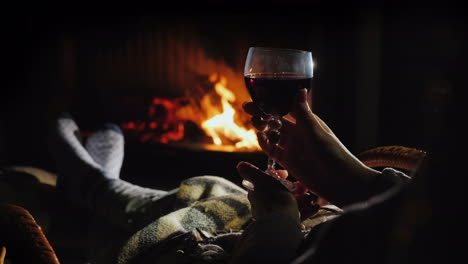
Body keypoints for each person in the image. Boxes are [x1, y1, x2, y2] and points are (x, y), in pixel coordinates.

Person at [48, 86, 462, 263]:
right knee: (220, 191)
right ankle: (93, 179)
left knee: (193, 199)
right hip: (302, 218)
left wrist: (278, 224)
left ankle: (88, 180)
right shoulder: (435, 220)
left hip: (253, 239)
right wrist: (357, 182)